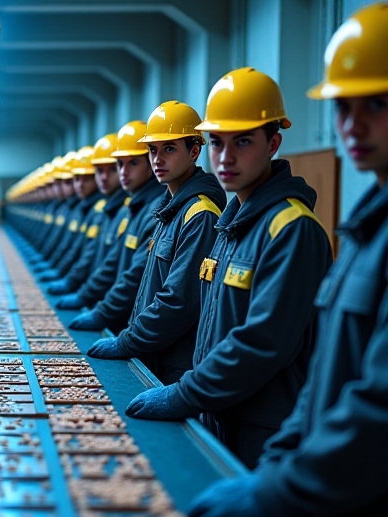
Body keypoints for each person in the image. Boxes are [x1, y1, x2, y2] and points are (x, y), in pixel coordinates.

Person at [188, 5, 388, 517]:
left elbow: (376, 403)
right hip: (317, 480)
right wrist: (282, 462)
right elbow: (326, 368)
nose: (352, 125)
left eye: (376, 105)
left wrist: (282, 485)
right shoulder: (361, 233)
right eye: (343, 107)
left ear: (275, 140)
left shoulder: (294, 227)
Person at [125, 69, 333, 469]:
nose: (227, 157)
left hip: (263, 426)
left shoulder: (291, 229)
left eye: (242, 141)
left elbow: (262, 342)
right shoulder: (231, 224)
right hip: (218, 408)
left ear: (273, 143)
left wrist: (183, 393)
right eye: (218, 142)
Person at [87, 101, 226, 385]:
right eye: (153, 150)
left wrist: (127, 341)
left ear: (195, 151)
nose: (158, 159)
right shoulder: (168, 210)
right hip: (154, 353)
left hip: (176, 364)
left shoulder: (199, 214)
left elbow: (177, 302)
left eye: (169, 149)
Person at [59, 121, 163, 325]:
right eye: (120, 164)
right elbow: (110, 260)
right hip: (122, 318)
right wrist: (81, 291)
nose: (123, 172)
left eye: (132, 163)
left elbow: (136, 275)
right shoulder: (130, 208)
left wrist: (102, 312)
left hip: (131, 323)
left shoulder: (155, 210)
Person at [48, 133, 129, 296]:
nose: (79, 185)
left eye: (113, 169)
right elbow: (82, 250)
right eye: (99, 171)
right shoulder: (100, 207)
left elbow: (117, 267)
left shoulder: (124, 209)